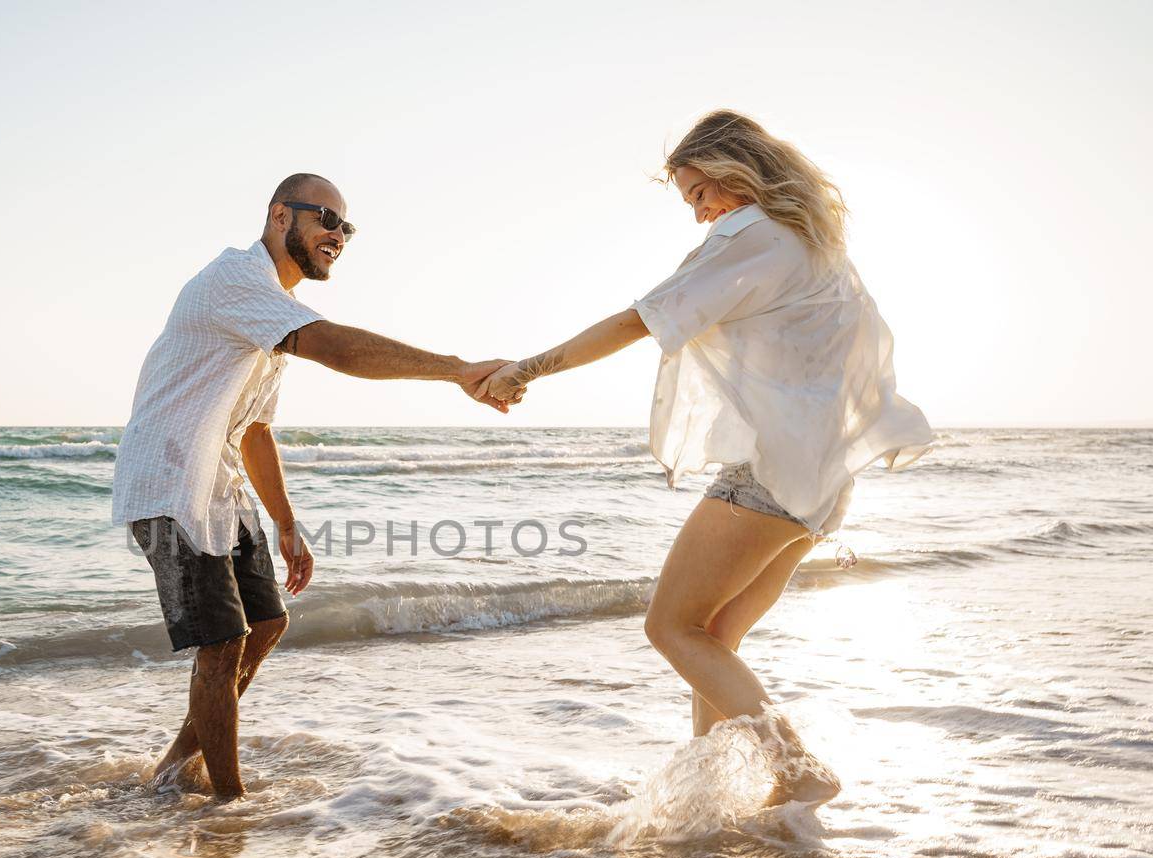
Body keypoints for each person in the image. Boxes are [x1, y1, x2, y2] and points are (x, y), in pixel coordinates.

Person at [482, 111, 933, 804]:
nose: (699, 214)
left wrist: (529, 368)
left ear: (736, 172)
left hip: (770, 474)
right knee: (716, 634)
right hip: (816, 483)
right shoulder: (818, 247)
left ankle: (797, 768)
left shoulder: (750, 233)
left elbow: (643, 317)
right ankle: (711, 796)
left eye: (699, 194)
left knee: (671, 626)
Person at [112, 173, 514, 800]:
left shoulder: (269, 310)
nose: (338, 235)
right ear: (279, 216)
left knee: (267, 623)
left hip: (217, 480)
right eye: (326, 218)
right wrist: (456, 370)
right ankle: (227, 805)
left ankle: (173, 770)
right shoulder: (235, 280)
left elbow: (256, 432)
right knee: (222, 643)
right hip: (165, 478)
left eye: (346, 227)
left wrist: (287, 522)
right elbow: (338, 350)